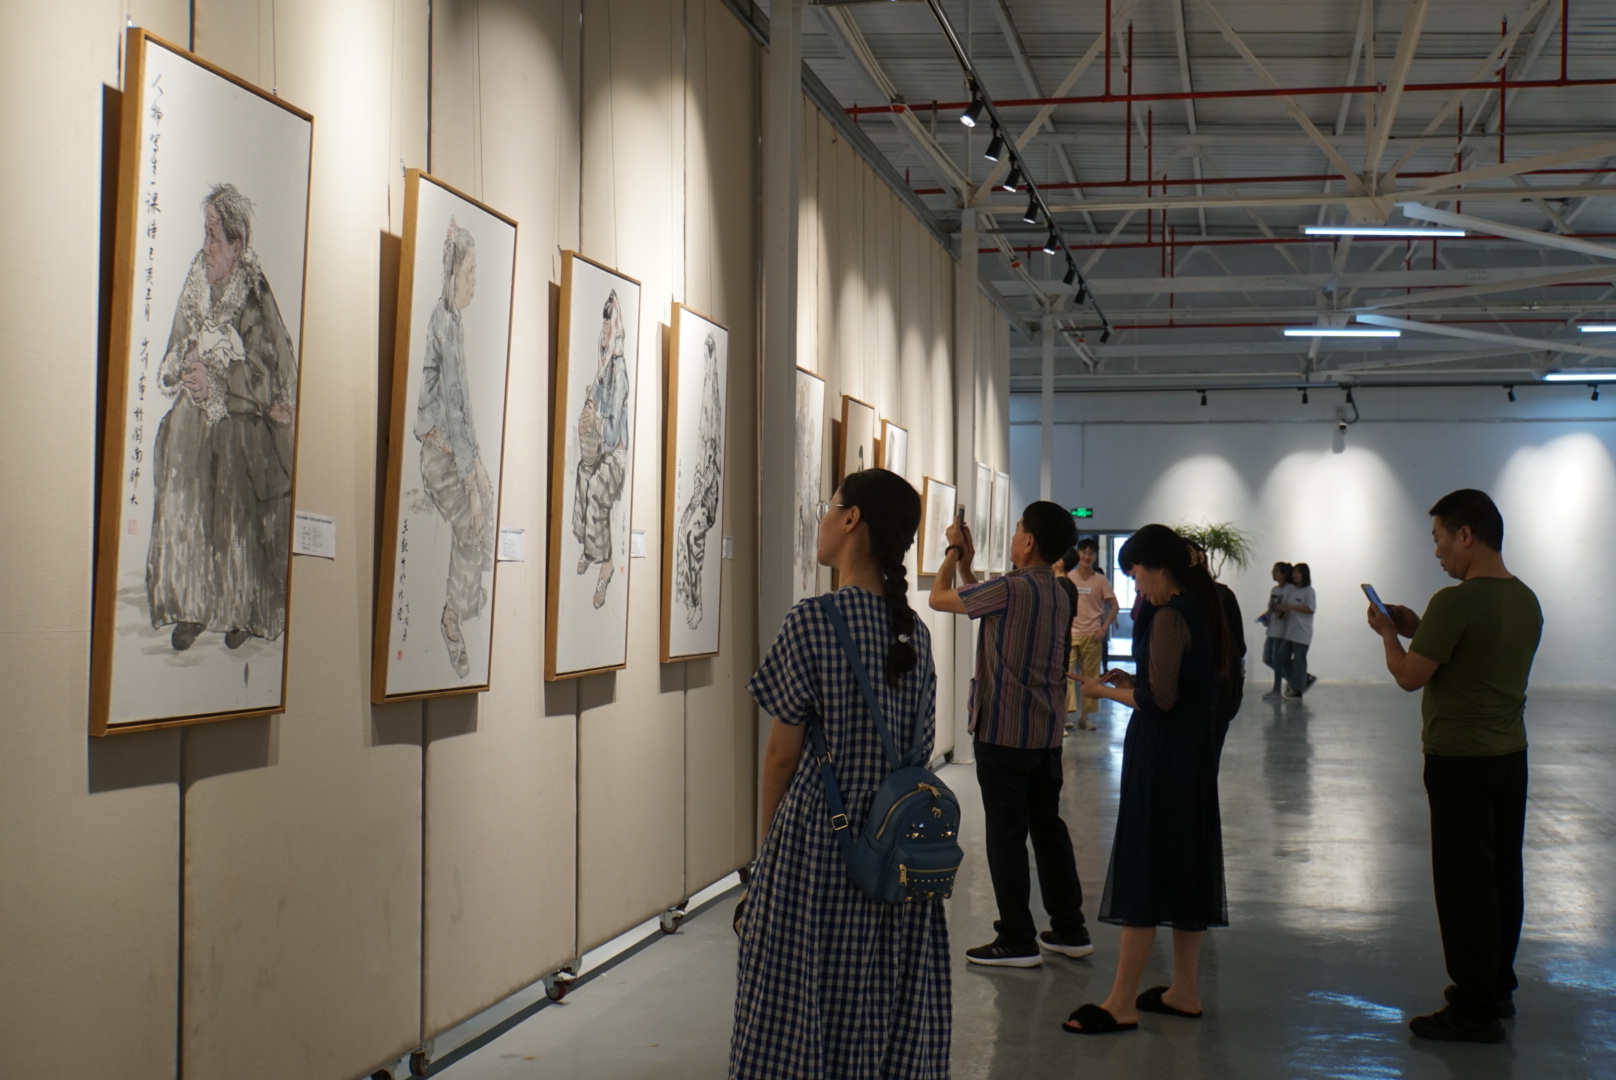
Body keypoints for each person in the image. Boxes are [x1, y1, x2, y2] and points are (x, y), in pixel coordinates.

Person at [733, 468, 949, 1078]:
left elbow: (781, 756)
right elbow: (920, 747)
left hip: (820, 843)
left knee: (803, 993)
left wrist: (765, 855)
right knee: (883, 993)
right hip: (899, 845)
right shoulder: (915, 633)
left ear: (852, 520)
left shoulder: (813, 621)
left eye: (830, 507)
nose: (822, 520)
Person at [1365, 489, 1541, 1044]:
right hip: (1509, 756)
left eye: (1439, 538)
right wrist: (1419, 627)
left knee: (1465, 885)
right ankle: (1496, 986)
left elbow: (1409, 676)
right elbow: (1473, 654)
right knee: (1500, 876)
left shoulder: (1456, 601)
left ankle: (1473, 1009)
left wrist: (1388, 634)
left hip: (1460, 761)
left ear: (1466, 534)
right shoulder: (1525, 599)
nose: (1438, 552)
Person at [1063, 524, 1229, 1034]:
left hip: (1162, 759)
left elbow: (1160, 702)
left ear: (1159, 567)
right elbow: (1179, 686)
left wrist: (1102, 691)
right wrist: (1132, 680)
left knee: (1144, 866)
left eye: (1136, 574)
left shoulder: (1170, 616)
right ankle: (1184, 991)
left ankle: (1121, 1002)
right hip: (1192, 758)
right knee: (1185, 868)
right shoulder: (1203, 608)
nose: (1135, 586)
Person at [929, 501, 1091, 968]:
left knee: (1006, 834)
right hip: (1046, 732)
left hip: (1003, 731)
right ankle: (1070, 929)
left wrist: (951, 551)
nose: (1015, 536)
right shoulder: (1061, 591)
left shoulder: (1010, 588)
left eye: (1018, 529)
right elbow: (984, 600)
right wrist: (968, 564)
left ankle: (1017, 937)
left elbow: (939, 598)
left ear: (1029, 541)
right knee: (1048, 827)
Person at [146, 183, 297, 653]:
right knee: (178, 434)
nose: (207, 247)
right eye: (206, 234)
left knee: (231, 449)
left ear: (236, 245)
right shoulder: (197, 280)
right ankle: (191, 601)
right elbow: (175, 345)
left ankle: (241, 605)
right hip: (203, 404)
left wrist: (217, 382)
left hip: (246, 412)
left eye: (215, 237)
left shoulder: (253, 294)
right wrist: (187, 365)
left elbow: (267, 377)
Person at [415, 218, 496, 678]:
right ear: (452, 275)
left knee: (490, 497)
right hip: (438, 457)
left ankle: (468, 592)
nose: (474, 282)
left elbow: (464, 404)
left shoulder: (454, 320)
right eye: (470, 272)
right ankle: (452, 618)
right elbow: (449, 405)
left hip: (456, 452)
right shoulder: (442, 324)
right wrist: (469, 480)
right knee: (472, 523)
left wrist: (478, 464)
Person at [572, 291, 631, 609]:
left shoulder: (619, 372)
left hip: (615, 455)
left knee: (596, 485)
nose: (606, 328)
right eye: (604, 322)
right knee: (583, 472)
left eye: (610, 322)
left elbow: (611, 432)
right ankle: (588, 546)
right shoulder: (603, 360)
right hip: (600, 448)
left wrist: (595, 421)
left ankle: (604, 566)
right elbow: (592, 395)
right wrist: (587, 409)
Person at [1065, 537, 1117, 731]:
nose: (1087, 556)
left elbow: (1114, 606)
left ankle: (1084, 716)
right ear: (1078, 553)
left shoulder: (1101, 580)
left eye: (1091, 553)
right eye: (1084, 552)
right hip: (1071, 633)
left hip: (1093, 635)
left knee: (1091, 677)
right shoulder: (1069, 577)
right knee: (1066, 675)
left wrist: (1104, 628)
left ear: (1095, 556)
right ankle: (1065, 715)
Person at [1276, 562, 1316, 699]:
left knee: (1299, 661)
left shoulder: (1309, 591)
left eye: (1298, 572)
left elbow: (1311, 609)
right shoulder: (1292, 590)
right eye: (1294, 572)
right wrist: (1281, 614)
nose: (1295, 575)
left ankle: (1298, 690)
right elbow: (1286, 608)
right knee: (1281, 656)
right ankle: (1302, 678)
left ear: (1304, 574)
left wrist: (1292, 607)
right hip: (1290, 632)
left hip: (1302, 632)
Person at [1258, 561, 1293, 702]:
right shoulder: (1275, 590)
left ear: (1284, 574)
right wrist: (1265, 616)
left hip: (1281, 630)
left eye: (1276, 571)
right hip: (1272, 629)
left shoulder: (1290, 589)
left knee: (1277, 660)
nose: (1273, 573)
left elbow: (1289, 608)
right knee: (1267, 659)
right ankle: (1292, 679)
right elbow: (1271, 607)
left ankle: (1277, 689)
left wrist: (1281, 612)